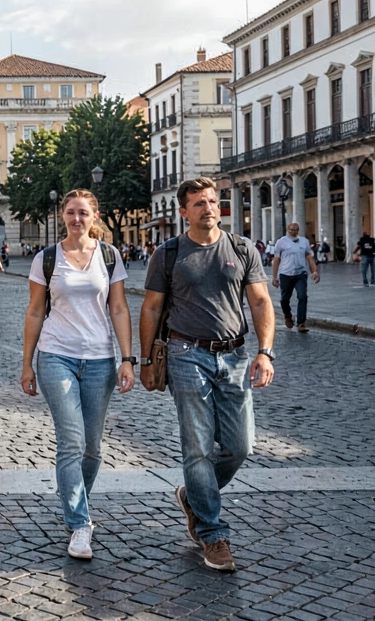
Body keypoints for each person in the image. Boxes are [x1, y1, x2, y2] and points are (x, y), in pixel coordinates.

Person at [138, 177, 274, 573]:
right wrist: (146, 361)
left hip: (235, 356)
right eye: (198, 203)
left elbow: (261, 301)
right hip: (185, 353)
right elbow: (150, 309)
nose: (208, 208)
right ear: (184, 212)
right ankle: (213, 534)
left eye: (213, 201)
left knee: (240, 445)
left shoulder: (241, 248)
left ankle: (194, 497)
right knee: (197, 447)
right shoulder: (168, 253)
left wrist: (265, 353)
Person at [20, 190, 135, 560]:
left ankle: (74, 495)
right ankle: (80, 523)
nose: (76, 219)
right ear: (62, 215)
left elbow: (118, 308)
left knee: (93, 446)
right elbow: (36, 311)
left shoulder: (110, 256)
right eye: (70, 212)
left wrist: (127, 358)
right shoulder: (46, 258)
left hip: (100, 359)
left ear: (95, 215)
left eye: (83, 212)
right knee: (71, 440)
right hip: (56, 356)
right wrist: (27, 363)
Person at [271, 222, 319, 333]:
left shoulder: (304, 241)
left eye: (296, 230)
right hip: (285, 274)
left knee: (302, 296)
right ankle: (287, 316)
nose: (294, 232)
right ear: (288, 230)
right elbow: (276, 259)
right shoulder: (281, 242)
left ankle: (301, 323)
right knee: (284, 299)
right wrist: (274, 276)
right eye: (292, 230)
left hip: (300, 273)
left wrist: (314, 271)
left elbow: (309, 256)